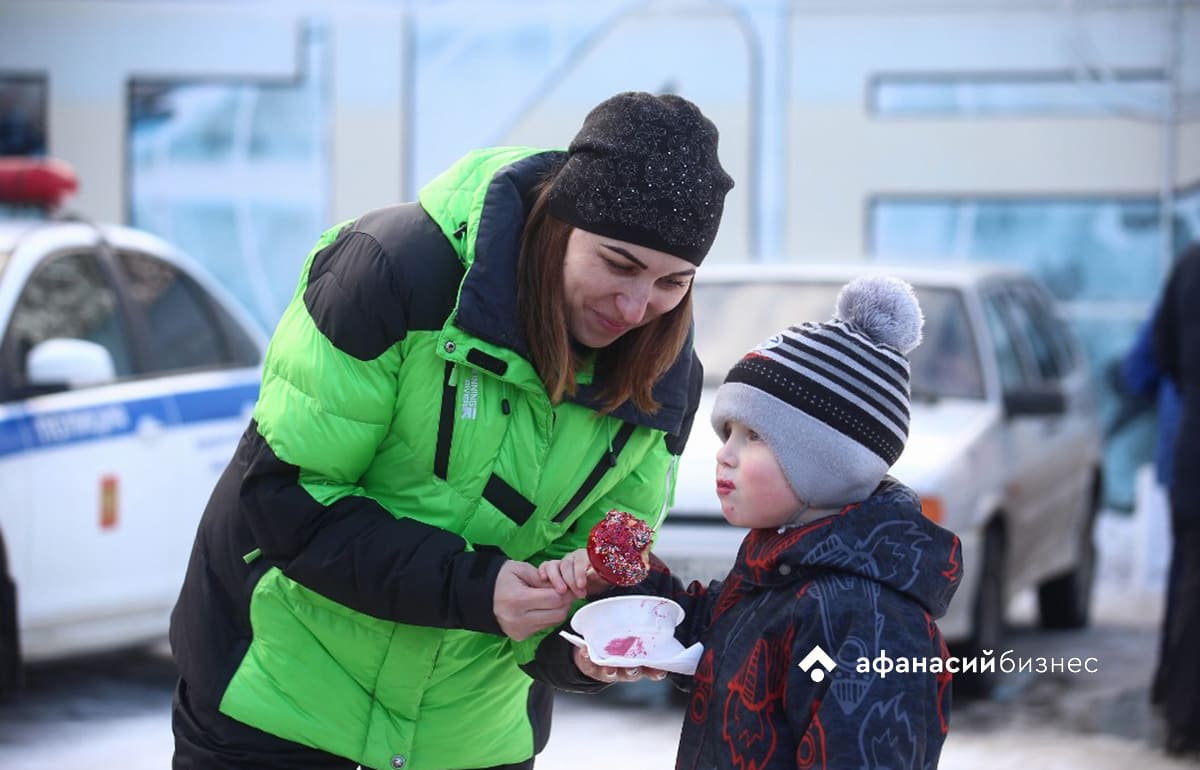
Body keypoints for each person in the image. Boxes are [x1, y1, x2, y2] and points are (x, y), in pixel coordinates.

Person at [168, 91, 734, 770]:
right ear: (560, 222)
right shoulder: (390, 271)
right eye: (618, 264)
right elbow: (286, 499)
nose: (638, 307)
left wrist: (585, 643)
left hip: (471, 739)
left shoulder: (665, 376)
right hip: (280, 703)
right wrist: (474, 588)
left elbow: (592, 560)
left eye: (674, 282)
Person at [542, 275, 963, 769]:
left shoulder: (869, 622)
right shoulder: (784, 568)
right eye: (728, 433)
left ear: (825, 462)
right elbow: (716, 632)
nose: (725, 454)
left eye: (754, 437)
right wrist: (624, 579)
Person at [1116, 300, 1181, 707]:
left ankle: (1176, 691)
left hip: (1183, 457)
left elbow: (1139, 370)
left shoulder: (1183, 288)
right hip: (1183, 455)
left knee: (1186, 577)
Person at [1151, 242, 1200, 757]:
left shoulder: (1189, 264)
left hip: (1194, 451)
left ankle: (1182, 718)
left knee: (1190, 589)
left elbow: (1160, 351)